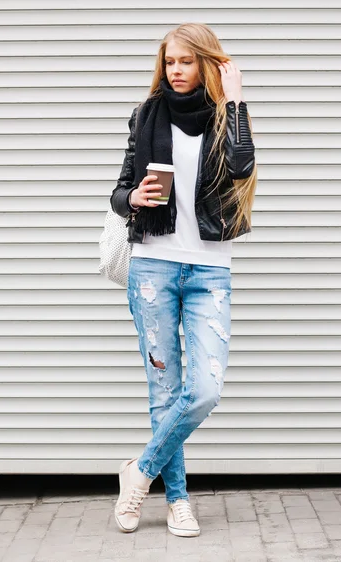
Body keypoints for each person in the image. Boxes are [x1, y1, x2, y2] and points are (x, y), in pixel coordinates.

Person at [110, 22, 257, 537]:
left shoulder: (224, 118)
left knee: (204, 390)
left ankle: (140, 471)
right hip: (153, 264)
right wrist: (133, 200)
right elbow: (119, 190)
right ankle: (177, 501)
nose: (176, 70)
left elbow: (241, 166)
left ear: (206, 65)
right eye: (170, 61)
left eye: (186, 61)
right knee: (164, 391)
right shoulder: (145, 116)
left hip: (210, 269)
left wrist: (235, 98)